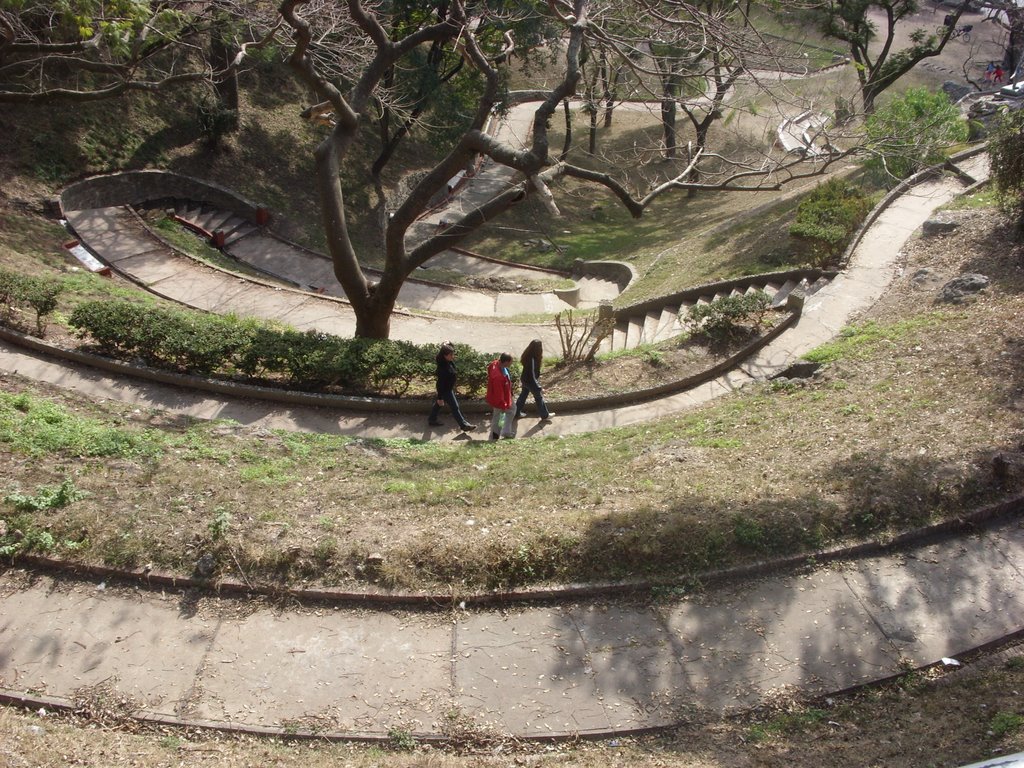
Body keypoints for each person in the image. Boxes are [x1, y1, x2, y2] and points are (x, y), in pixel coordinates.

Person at [428, 343, 476, 431]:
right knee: (455, 407)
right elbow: (440, 384)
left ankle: (432, 419)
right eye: (451, 355)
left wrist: (448, 345)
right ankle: (464, 425)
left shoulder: (447, 361)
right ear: (445, 356)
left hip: (448, 388)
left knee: (439, 404)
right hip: (446, 390)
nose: (453, 356)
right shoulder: (442, 368)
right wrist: (440, 397)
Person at [515, 339, 552, 421]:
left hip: (525, 379)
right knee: (539, 397)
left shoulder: (527, 356)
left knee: (523, 396)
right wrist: (538, 386)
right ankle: (545, 415)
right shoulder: (532, 359)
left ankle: (516, 412)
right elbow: (532, 374)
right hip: (530, 381)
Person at [486, 353, 516, 440]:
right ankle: (495, 436)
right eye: (511, 362)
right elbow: (499, 394)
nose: (512, 363)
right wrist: (503, 405)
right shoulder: (498, 377)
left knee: (508, 412)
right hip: (500, 400)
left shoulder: (496, 364)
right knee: (500, 417)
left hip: (505, 396)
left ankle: (501, 432)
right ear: (506, 362)